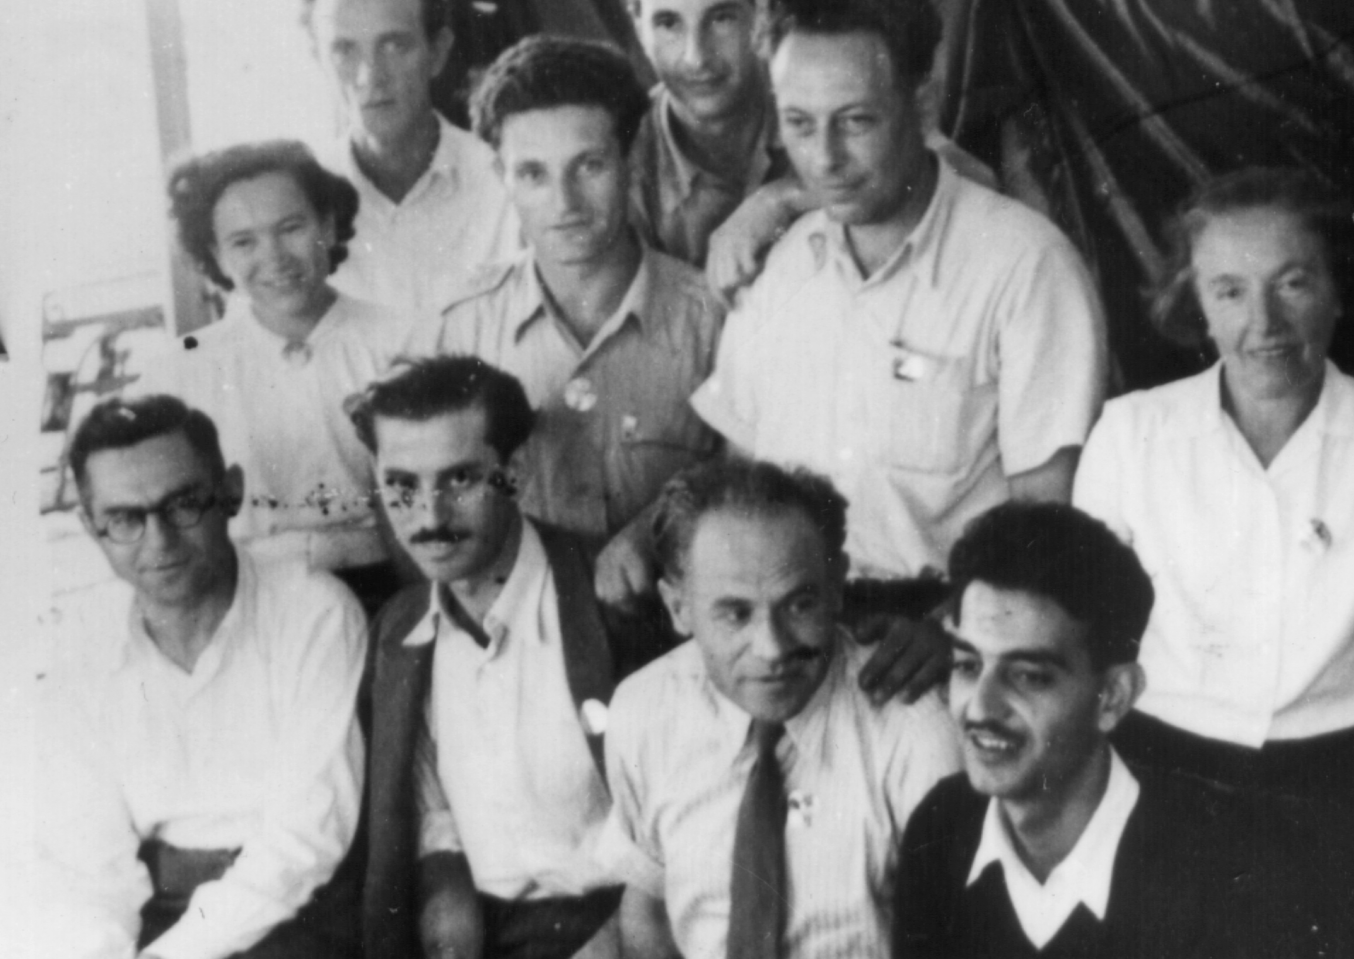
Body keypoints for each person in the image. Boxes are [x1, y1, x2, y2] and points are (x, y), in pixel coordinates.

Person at [678, 0, 1107, 699]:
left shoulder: (1025, 267)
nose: (825, 159)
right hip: (783, 641)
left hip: (946, 649)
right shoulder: (779, 267)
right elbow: (737, 484)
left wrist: (952, 626)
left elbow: (1052, 518)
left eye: (856, 121)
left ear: (923, 100)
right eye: (799, 124)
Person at [1073, 166, 1354, 797]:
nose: (1263, 322)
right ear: (1198, 305)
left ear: (1336, 290)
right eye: (1230, 291)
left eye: (1291, 283)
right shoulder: (1131, 433)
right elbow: (1081, 633)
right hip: (1162, 770)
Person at [895, 500, 1328, 959]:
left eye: (1028, 676)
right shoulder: (941, 828)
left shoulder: (1229, 874)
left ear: (1113, 697)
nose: (980, 706)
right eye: (967, 665)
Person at [39, 395, 366, 959]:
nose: (159, 542)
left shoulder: (313, 611)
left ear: (231, 492)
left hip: (297, 916)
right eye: (125, 519)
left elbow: (304, 841)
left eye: (183, 504)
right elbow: (92, 870)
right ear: (91, 526)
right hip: (158, 916)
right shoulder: (80, 650)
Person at [597, 456, 960, 958]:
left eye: (799, 604)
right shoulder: (643, 712)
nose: (771, 648)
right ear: (678, 607)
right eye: (734, 613)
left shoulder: (915, 734)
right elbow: (649, 905)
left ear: (836, 588)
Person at [351, 356, 626, 959]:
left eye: (460, 480)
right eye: (402, 485)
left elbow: (681, 834)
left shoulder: (609, 601)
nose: (429, 518)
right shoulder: (398, 631)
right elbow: (435, 831)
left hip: (618, 931)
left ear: (515, 471)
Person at [424, 35, 723, 581]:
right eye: (533, 174)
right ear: (501, 178)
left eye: (588, 166)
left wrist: (651, 531)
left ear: (632, 161)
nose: (564, 203)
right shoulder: (463, 327)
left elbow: (747, 477)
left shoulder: (713, 319)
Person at [616, 0, 995, 296]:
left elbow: (976, 180)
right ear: (637, 24)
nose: (696, 58)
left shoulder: (816, 91)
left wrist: (781, 199)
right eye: (668, 24)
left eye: (721, 18)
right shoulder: (622, 158)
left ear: (760, 16)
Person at [138, 139, 415, 596]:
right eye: (243, 241)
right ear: (216, 254)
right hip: (246, 594)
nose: (274, 257)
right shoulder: (179, 371)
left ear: (327, 224)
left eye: (291, 228)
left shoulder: (400, 340)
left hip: (389, 581)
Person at [303, 0, 521, 313]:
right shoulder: (299, 203)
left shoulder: (505, 183)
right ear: (319, 62)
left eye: (394, 46)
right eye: (344, 50)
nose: (371, 76)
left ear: (437, 52)